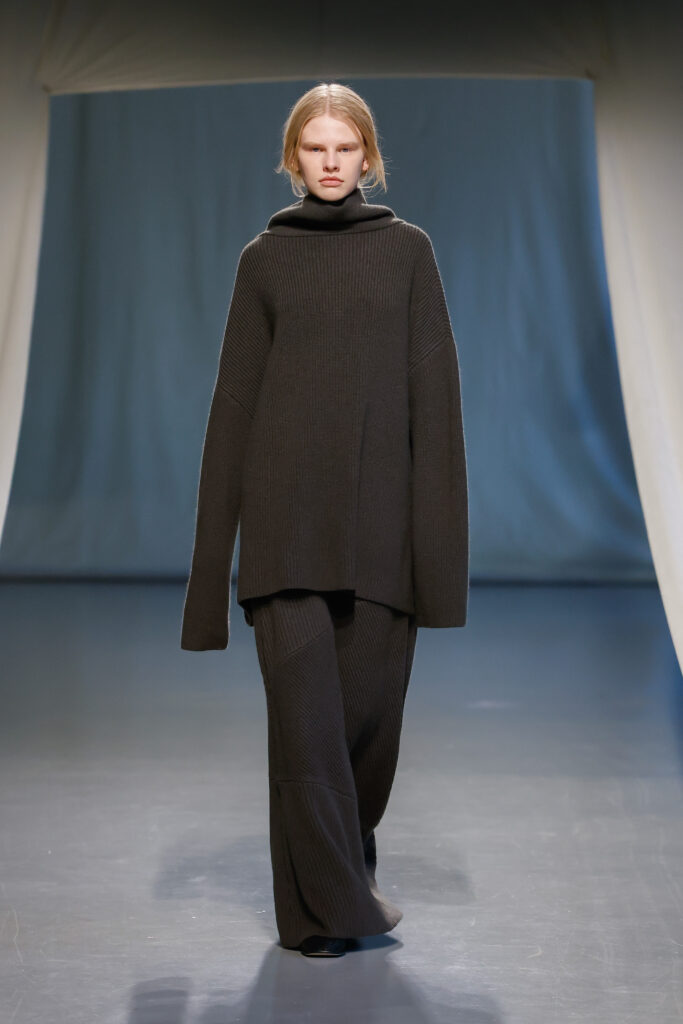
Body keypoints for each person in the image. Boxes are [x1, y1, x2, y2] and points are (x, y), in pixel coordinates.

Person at [180, 82, 469, 958]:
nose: (331, 162)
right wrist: (207, 588)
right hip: (284, 537)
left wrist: (438, 572)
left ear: (369, 157)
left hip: (380, 537)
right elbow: (232, 409)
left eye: (346, 148)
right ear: (292, 158)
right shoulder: (263, 260)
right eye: (316, 148)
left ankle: (344, 864)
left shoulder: (408, 254)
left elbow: (436, 411)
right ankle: (319, 915)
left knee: (364, 740)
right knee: (305, 738)